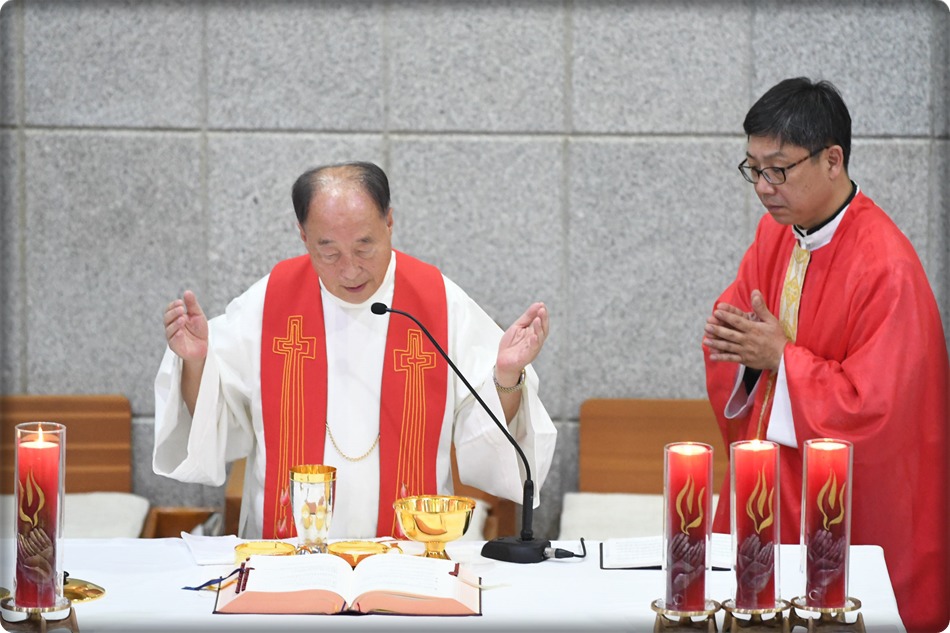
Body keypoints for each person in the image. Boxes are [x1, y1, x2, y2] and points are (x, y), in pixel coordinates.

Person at [154, 161, 557, 542]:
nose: (349, 270)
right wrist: (196, 363)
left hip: (410, 557)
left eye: (364, 248)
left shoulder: (439, 303)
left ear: (389, 222)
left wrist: (506, 376)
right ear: (303, 236)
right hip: (288, 558)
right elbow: (215, 418)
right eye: (329, 253)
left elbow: (483, 428)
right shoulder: (269, 303)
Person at [702, 78, 948, 632]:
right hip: (772, 487)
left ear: (832, 159)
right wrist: (746, 353)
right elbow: (732, 336)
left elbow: (877, 412)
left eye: (778, 170)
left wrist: (781, 359)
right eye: (753, 169)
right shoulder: (776, 236)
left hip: (842, 511)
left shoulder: (885, 268)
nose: (762, 187)